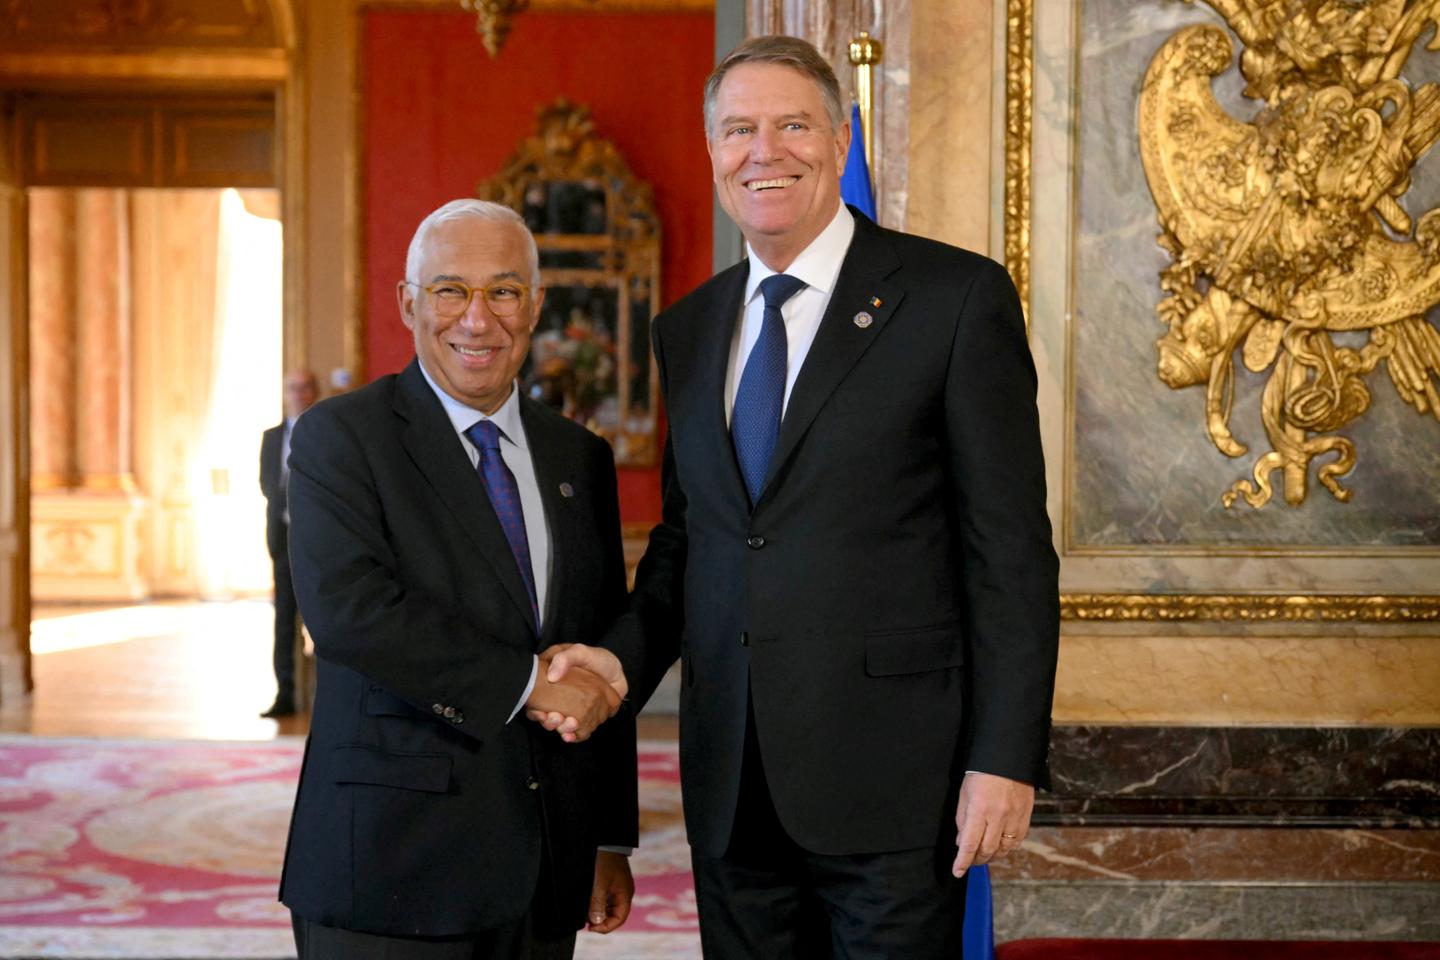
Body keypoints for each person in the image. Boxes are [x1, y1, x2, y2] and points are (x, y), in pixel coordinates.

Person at [546, 35, 1060, 958]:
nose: (764, 152)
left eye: (793, 126)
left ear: (841, 139)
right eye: (739, 130)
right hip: (733, 792)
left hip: (899, 790)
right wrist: (618, 663)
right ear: (713, 150)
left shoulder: (953, 299)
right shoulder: (689, 329)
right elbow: (692, 539)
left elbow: (1010, 553)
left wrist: (1004, 758)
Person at [279, 198, 637, 959]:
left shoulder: (580, 458)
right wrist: (528, 685)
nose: (478, 319)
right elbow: (350, 613)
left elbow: (598, 640)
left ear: (535, 305)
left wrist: (609, 837)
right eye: (450, 290)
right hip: (391, 867)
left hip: (546, 867)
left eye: (504, 291)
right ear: (408, 303)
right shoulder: (342, 437)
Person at [258, 367, 318, 718]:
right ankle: (285, 694)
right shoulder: (271, 437)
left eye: (304, 387)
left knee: (322, 622)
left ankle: (322, 697)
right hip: (283, 541)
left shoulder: (327, 432)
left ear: (314, 392)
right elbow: (267, 484)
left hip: (318, 544)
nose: (298, 394)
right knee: (283, 622)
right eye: (292, 388)